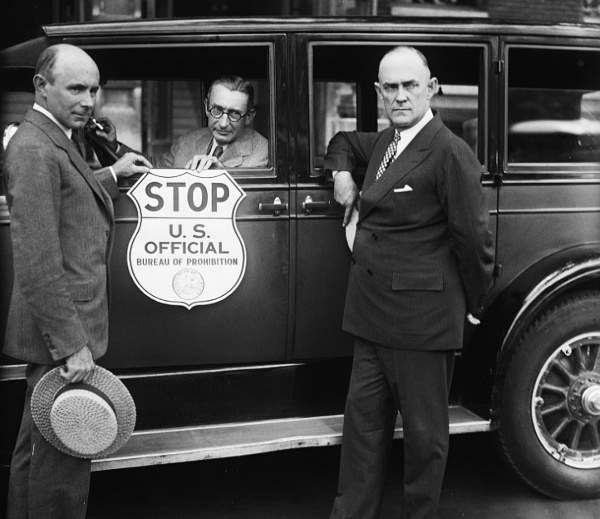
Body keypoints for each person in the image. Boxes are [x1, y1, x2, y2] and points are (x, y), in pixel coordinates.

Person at [324, 46, 495, 519]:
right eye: (390, 88)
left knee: (425, 442)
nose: (400, 96)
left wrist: (475, 303)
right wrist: (342, 175)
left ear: (431, 89)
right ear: (379, 94)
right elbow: (341, 141)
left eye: (410, 86)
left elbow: (472, 239)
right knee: (362, 434)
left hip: (421, 321)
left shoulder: (449, 151)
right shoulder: (385, 143)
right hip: (371, 316)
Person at [3, 43, 151, 519]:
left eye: (94, 88)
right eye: (76, 88)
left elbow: (70, 189)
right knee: (64, 453)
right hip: (61, 333)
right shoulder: (32, 147)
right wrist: (71, 345)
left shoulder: (53, 136)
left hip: (59, 328)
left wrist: (110, 172)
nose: (89, 100)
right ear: (41, 87)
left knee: (37, 447)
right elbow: (39, 263)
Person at [99, 74, 269, 171]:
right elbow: (153, 166)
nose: (223, 123)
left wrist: (221, 175)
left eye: (234, 114)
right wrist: (113, 146)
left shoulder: (262, 152)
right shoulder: (190, 140)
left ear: (249, 116)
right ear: (205, 107)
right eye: (217, 111)